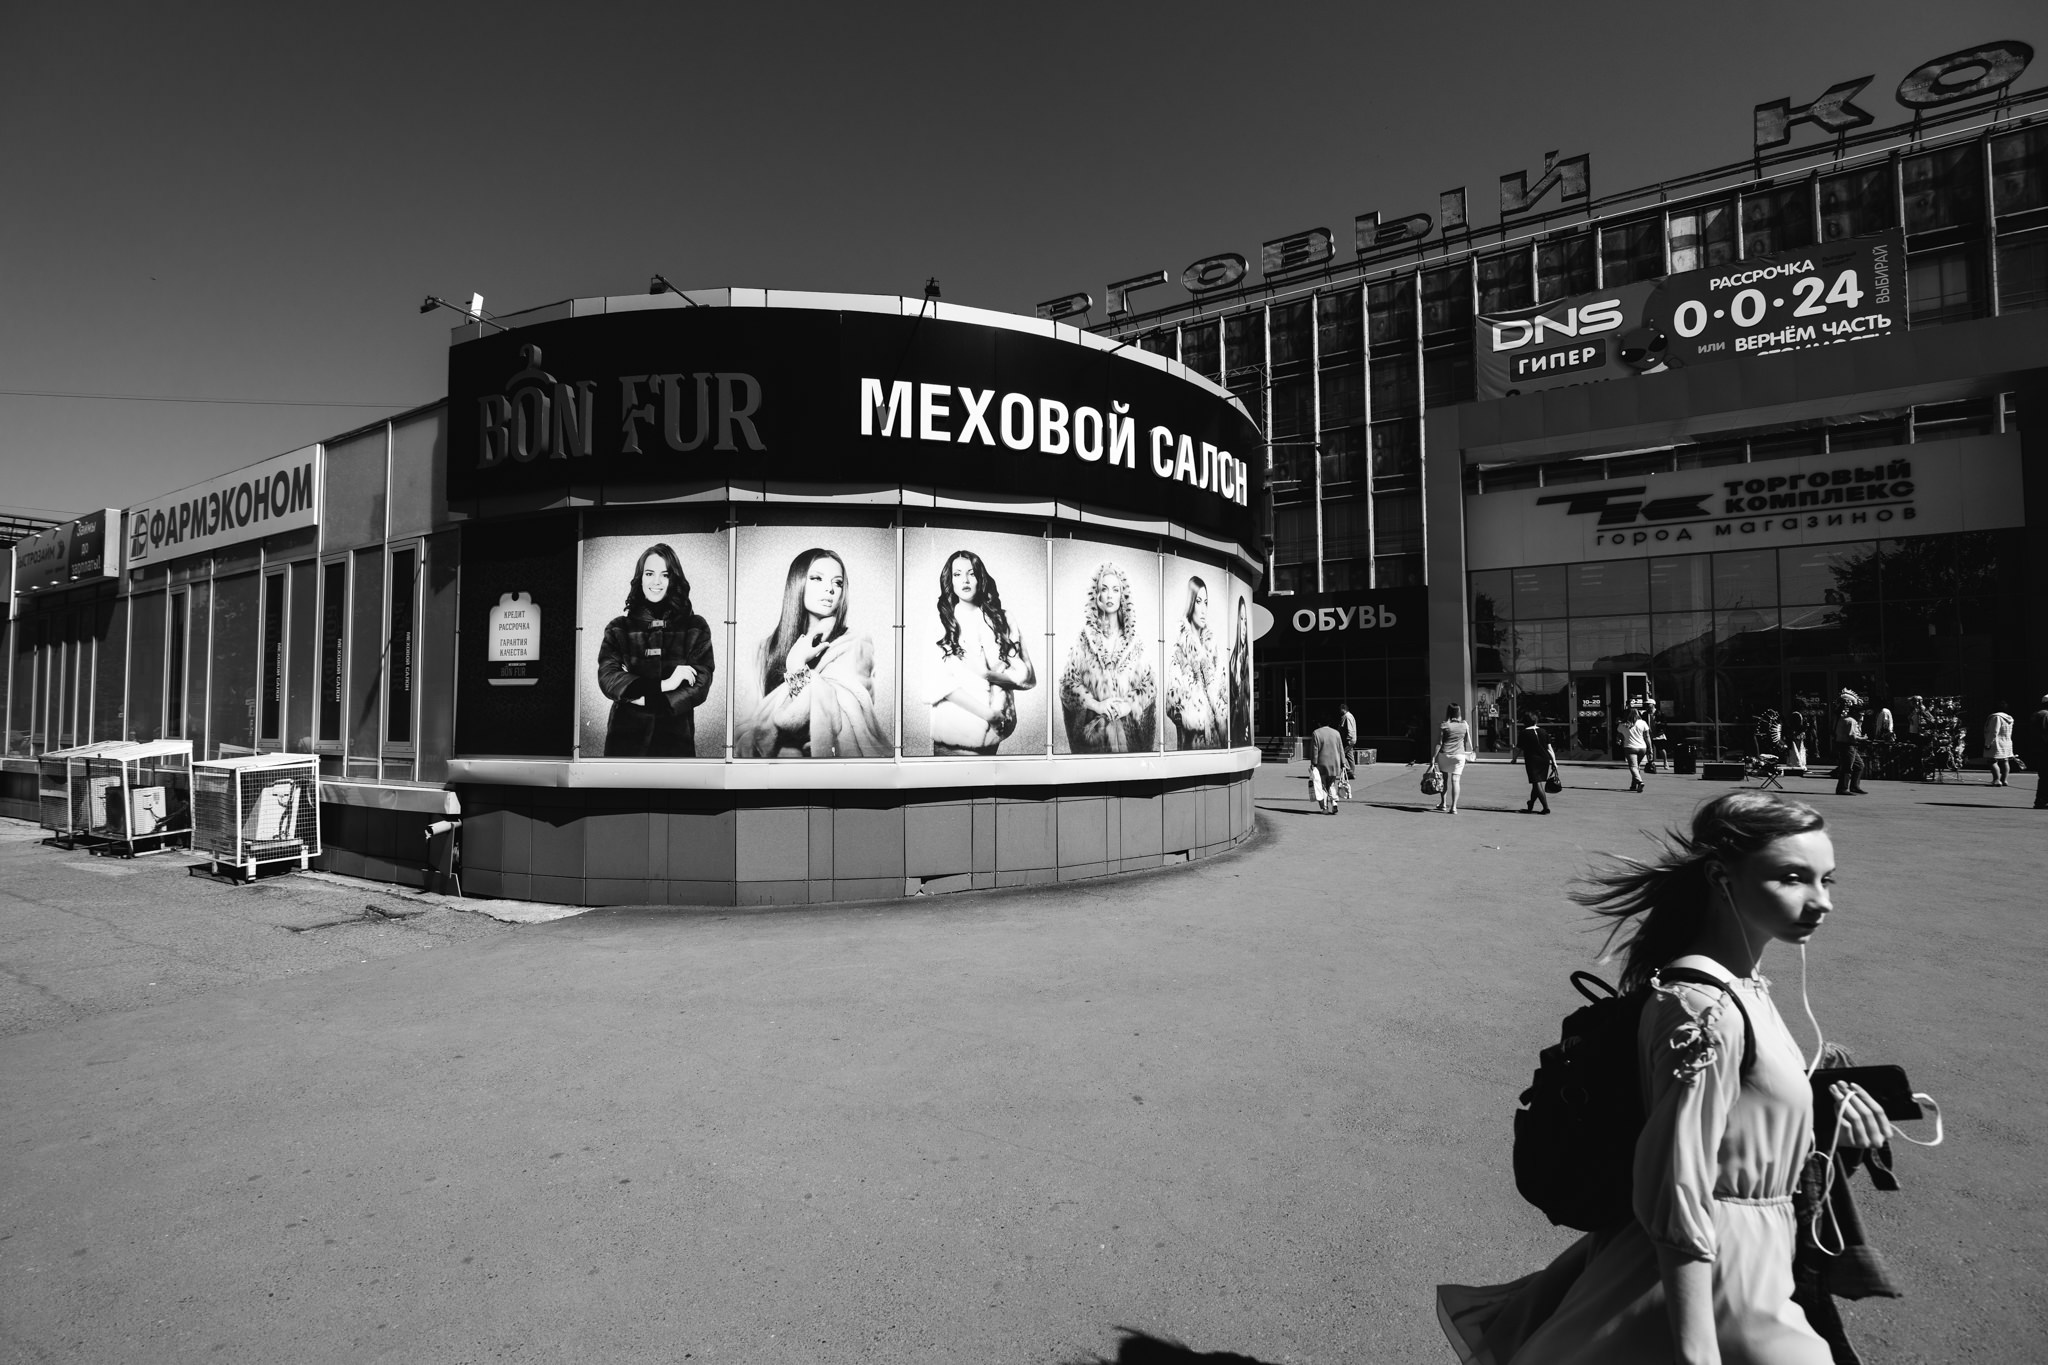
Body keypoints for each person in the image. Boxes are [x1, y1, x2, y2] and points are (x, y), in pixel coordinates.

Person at [1437, 791, 1896, 1365]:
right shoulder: (1701, 1009)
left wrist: (1825, 1129)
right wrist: (1696, 1349)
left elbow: (1738, 1133)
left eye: (1828, 880)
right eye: (1794, 878)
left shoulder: (1746, 988)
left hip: (1752, 1264)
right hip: (1713, 1280)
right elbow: (1674, 1187)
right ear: (1720, 878)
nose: (1821, 900)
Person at [737, 548, 888, 759]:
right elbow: (746, 729)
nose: (830, 589)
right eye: (817, 578)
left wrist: (797, 667)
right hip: (772, 775)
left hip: (827, 772)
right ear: (797, 583)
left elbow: (842, 720)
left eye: (838, 583)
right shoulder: (762, 650)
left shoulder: (855, 643)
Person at [596, 543, 716, 757]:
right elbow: (609, 678)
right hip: (624, 743)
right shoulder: (619, 628)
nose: (656, 582)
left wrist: (640, 697)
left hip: (674, 743)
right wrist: (665, 685)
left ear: (674, 579)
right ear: (640, 578)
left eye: (665, 575)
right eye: (649, 573)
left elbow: (700, 684)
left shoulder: (694, 627)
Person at [929, 550, 1035, 756]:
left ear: (980, 577)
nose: (965, 580)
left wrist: (988, 675)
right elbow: (937, 685)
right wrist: (989, 715)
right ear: (950, 580)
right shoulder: (941, 621)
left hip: (992, 736)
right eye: (957, 574)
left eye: (972, 573)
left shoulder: (1002, 619)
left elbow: (1027, 677)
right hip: (954, 733)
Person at [1060, 562, 1157, 753]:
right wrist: (1097, 705)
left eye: (1116, 589)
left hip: (1129, 740)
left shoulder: (1134, 643)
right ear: (1097, 596)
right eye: (1104, 589)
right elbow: (1067, 684)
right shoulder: (1084, 640)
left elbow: (1149, 685)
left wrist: (1128, 705)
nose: (1110, 595)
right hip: (1095, 740)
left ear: (1123, 596)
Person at [1165, 576, 1228, 750]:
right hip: (1193, 742)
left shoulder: (1213, 651)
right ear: (1191, 604)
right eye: (1198, 601)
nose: (1203, 609)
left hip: (1217, 741)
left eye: (1206, 602)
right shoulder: (1180, 650)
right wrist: (1198, 718)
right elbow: (1171, 705)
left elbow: (1223, 696)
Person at [1434, 703, 1474, 814]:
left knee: (1444, 780)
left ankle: (1443, 803)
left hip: (1445, 754)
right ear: (1459, 712)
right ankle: (1454, 807)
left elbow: (1439, 743)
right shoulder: (1465, 725)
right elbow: (1465, 740)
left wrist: (1433, 757)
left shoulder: (1445, 725)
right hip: (1459, 755)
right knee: (1455, 781)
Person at [1309, 711, 1347, 815]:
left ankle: (1325, 807)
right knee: (1331, 785)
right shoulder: (1336, 733)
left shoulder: (1316, 733)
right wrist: (1343, 762)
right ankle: (1334, 802)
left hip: (1321, 764)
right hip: (1335, 764)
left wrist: (1313, 763)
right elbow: (1341, 749)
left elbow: (1315, 750)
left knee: (1323, 786)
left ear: (1319, 723)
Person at [1227, 597, 1252, 748]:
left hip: (1245, 728)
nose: (1243, 627)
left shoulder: (1247, 658)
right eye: (1241, 619)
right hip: (1236, 727)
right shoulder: (1234, 660)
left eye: (1246, 621)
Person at [1832, 694, 1868, 796]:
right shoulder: (1851, 721)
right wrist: (1863, 738)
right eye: (1860, 713)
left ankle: (1854, 786)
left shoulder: (1844, 719)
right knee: (1847, 767)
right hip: (1848, 745)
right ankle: (1842, 788)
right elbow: (1852, 736)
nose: (1861, 716)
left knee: (1859, 765)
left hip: (1847, 745)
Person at [1521, 720, 1558, 815]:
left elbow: (1519, 747)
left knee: (1537, 782)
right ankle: (1531, 803)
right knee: (1536, 783)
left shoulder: (1524, 733)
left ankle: (1546, 808)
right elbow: (1549, 749)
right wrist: (1554, 761)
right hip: (1544, 760)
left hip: (1532, 760)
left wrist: (1514, 759)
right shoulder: (1543, 732)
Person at [2023, 694, 2048, 811]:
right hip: (2045, 749)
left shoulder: (2037, 714)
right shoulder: (2046, 715)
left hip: (2039, 749)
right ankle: (2041, 800)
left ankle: (2041, 800)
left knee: (2043, 776)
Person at [1619, 705, 1652, 793]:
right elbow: (1647, 736)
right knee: (1637, 766)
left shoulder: (1623, 724)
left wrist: (1619, 740)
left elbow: (1619, 736)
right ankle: (1633, 785)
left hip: (1630, 747)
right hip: (1642, 747)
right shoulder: (1643, 723)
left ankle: (1640, 782)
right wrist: (1650, 748)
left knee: (1633, 766)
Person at [1984, 706, 2015, 787]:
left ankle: (1996, 780)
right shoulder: (2009, 718)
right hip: (2007, 741)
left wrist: (1988, 743)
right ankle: (2004, 780)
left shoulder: (1996, 717)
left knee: (1992, 761)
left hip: (1996, 742)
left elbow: (1994, 731)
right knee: (2005, 761)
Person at [1338, 702, 1359, 777]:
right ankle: (1352, 773)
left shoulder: (1347, 717)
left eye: (1340, 710)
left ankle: (1349, 770)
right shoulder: (1349, 716)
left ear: (1343, 709)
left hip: (1348, 740)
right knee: (1350, 756)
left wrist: (1349, 739)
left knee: (1341, 754)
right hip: (1350, 739)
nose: (1339, 711)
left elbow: (1349, 729)